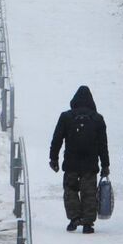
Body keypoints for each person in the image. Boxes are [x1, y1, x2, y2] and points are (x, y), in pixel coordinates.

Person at [47, 84, 109, 233]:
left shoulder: (66, 116)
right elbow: (103, 144)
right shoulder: (97, 118)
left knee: (70, 190)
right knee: (89, 192)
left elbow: (57, 139)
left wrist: (53, 158)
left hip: (71, 162)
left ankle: (74, 219)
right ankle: (87, 223)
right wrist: (105, 165)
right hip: (90, 163)